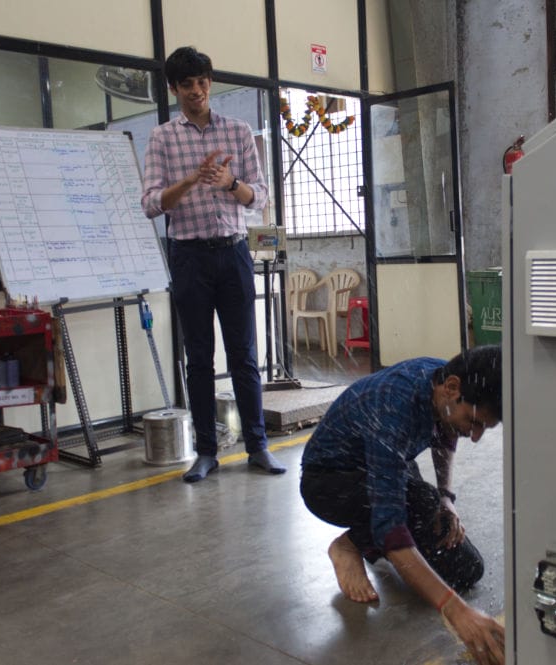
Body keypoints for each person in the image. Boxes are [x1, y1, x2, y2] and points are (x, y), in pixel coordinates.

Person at [300, 345, 505, 665]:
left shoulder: (448, 381)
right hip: (329, 482)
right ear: (451, 388)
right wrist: (457, 612)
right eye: (473, 421)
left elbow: (446, 431)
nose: (476, 436)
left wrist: (446, 497)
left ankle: (364, 539)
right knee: (409, 510)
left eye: (484, 428)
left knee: (466, 569)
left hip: (385, 461)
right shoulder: (393, 407)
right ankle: (349, 544)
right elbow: (391, 527)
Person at [141, 46, 285, 482]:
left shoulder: (238, 131)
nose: (197, 91)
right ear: (174, 89)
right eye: (187, 84)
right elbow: (150, 204)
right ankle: (206, 452)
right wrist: (190, 180)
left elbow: (260, 196)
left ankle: (258, 446)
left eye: (202, 82)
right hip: (188, 257)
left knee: (244, 356)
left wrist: (230, 182)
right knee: (199, 358)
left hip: (233, 252)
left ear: (210, 82)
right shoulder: (163, 138)